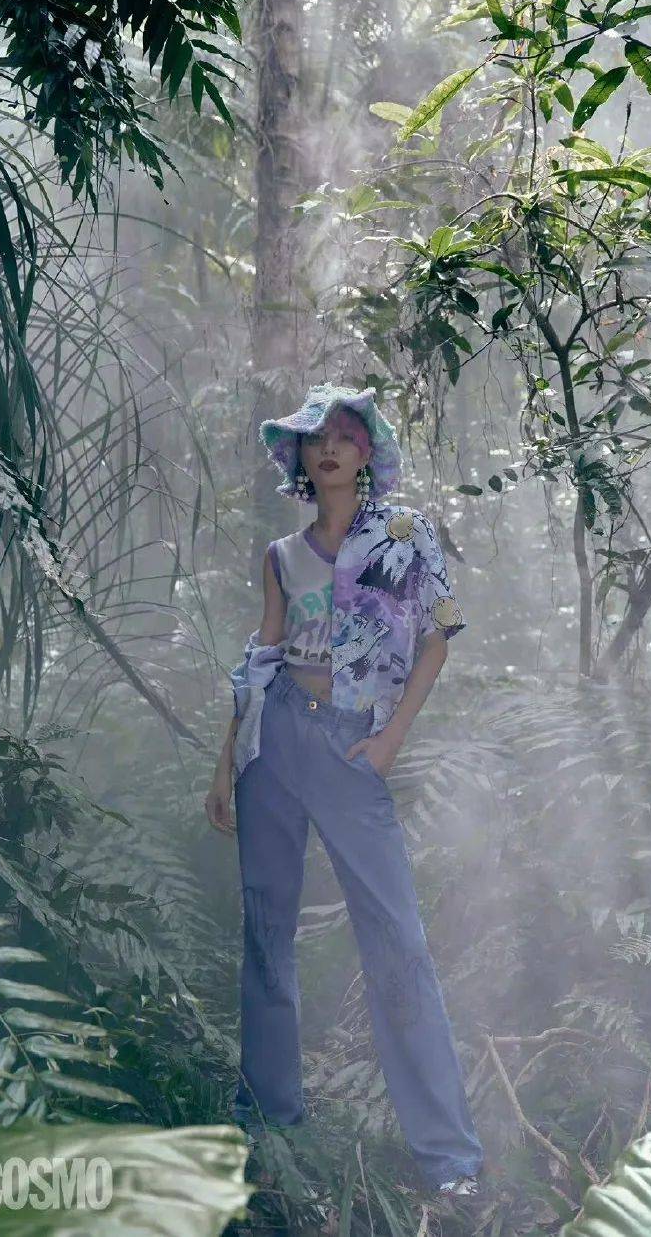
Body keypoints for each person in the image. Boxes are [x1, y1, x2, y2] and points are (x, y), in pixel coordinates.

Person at [204, 384, 485, 1198]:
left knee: (398, 943)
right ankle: (271, 1129)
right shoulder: (281, 555)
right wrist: (225, 761)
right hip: (274, 741)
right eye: (313, 437)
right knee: (267, 937)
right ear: (298, 456)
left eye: (342, 435)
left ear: (367, 452)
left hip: (352, 742)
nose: (327, 447)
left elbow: (439, 636)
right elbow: (260, 659)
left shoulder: (404, 534)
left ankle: (450, 1158)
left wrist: (390, 739)